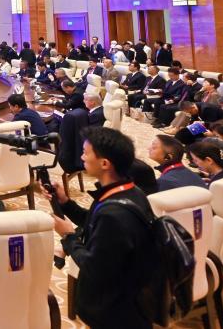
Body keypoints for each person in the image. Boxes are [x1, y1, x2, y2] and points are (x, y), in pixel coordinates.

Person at [44, 127, 154, 329]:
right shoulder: (129, 191)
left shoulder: (114, 213)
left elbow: (93, 267)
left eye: (86, 153)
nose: (81, 157)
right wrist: (65, 202)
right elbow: (92, 221)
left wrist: (68, 236)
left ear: (104, 163)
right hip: (126, 298)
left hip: (113, 309)